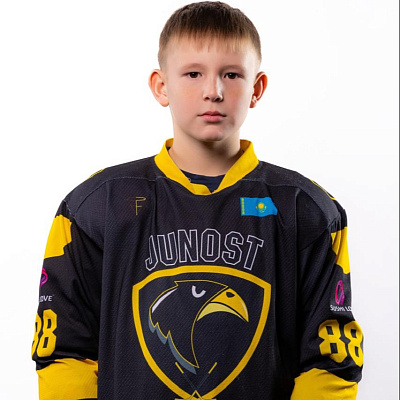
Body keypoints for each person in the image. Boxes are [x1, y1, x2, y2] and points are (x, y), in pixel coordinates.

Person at [31, 2, 363, 399]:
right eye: (193, 73)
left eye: (232, 74)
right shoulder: (96, 205)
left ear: (256, 88)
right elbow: (65, 351)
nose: (213, 91)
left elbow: (330, 363)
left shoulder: (306, 209)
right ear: (161, 86)